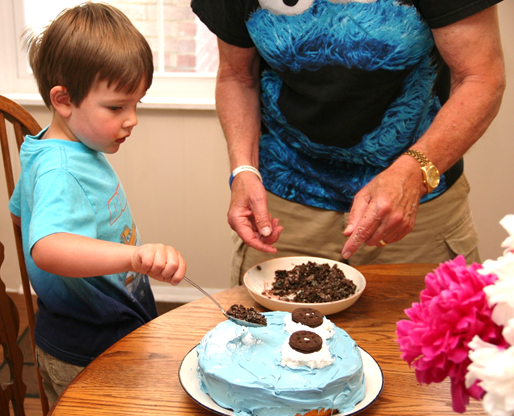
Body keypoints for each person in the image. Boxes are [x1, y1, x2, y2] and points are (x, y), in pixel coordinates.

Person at [191, 0, 506, 286]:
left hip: (417, 209)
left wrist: (411, 174)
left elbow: (480, 78)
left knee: (429, 345)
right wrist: (243, 170)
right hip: (284, 211)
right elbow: (236, 75)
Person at [8, 2, 187, 404]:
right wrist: (133, 256)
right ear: (64, 100)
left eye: (136, 104)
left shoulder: (47, 149)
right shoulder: (60, 168)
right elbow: (48, 247)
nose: (132, 119)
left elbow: (20, 212)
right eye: (117, 107)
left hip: (100, 326)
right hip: (86, 343)